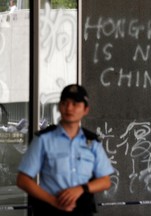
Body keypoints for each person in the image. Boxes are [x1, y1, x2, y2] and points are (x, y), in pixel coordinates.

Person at [17, 84, 114, 216]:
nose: (69, 108)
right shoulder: (43, 139)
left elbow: (105, 181)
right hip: (50, 210)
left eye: (75, 104)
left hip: (82, 210)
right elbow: (23, 180)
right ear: (59, 107)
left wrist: (81, 189)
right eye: (65, 103)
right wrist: (53, 201)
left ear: (86, 110)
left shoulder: (92, 142)